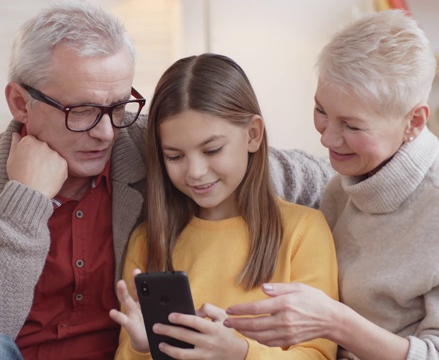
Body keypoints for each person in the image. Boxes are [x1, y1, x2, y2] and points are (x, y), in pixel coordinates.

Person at [0, 2, 334, 359]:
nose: (106, 133)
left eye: (118, 106)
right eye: (80, 111)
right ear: (21, 103)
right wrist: (24, 201)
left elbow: (279, 169)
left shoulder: (156, 146)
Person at [223, 10, 439, 360]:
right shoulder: (343, 185)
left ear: (413, 121)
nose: (327, 138)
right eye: (321, 110)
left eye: (352, 126)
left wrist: (336, 323)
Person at [109, 53, 339, 360]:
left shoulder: (303, 231)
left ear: (253, 135)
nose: (195, 171)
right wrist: (141, 349)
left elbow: (319, 355)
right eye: (175, 156)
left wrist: (239, 353)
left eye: (212, 149)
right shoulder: (149, 240)